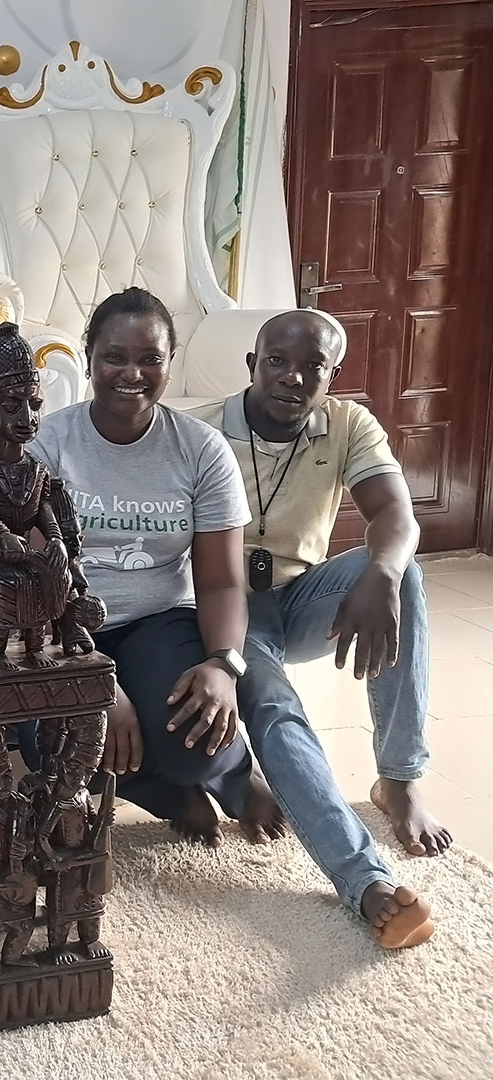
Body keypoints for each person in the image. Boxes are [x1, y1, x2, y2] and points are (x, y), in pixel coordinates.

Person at [189, 308, 440, 948]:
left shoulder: (348, 424)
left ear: (332, 377)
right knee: (273, 706)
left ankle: (399, 781)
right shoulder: (203, 433)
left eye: (313, 368)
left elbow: (393, 511)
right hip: (229, 605)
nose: (293, 378)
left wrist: (381, 572)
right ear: (252, 365)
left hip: (303, 595)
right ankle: (363, 879)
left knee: (401, 574)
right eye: (277, 361)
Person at [28, 288, 283, 845]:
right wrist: (97, 681)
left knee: (194, 730)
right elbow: (31, 580)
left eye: (151, 359)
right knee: (49, 738)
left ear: (171, 362)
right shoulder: (47, 444)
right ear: (88, 356)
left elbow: (221, 579)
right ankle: (170, 794)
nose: (132, 373)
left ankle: (227, 773)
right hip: (61, 626)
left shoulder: (201, 449)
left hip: (156, 620)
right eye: (114, 357)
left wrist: (223, 664)